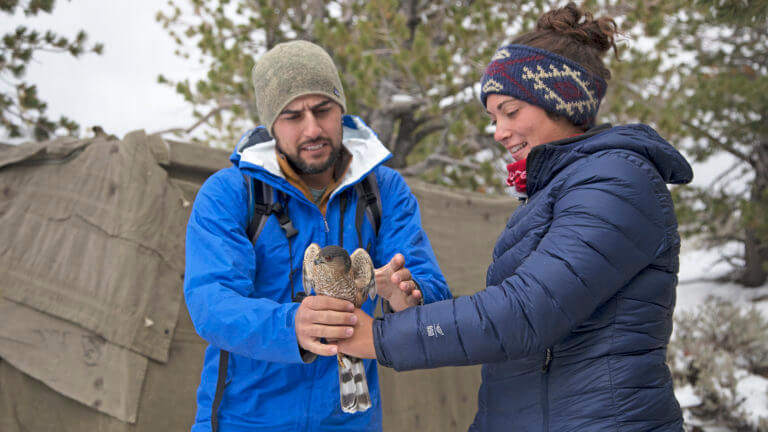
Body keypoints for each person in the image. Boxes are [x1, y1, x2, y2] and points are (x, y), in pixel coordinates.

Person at [337, 3, 694, 431]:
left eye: (510, 112)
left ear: (563, 102)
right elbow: (517, 346)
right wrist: (406, 310)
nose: (498, 131)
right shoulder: (554, 192)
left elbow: (525, 313)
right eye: (492, 118)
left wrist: (377, 337)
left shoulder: (617, 184)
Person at [183, 40, 451, 432]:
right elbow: (210, 303)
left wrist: (407, 298)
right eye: (292, 116)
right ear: (270, 125)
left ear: (341, 109)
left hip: (350, 418)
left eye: (323, 109)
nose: (312, 128)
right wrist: (291, 325)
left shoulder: (383, 190)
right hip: (244, 419)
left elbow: (431, 291)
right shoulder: (230, 193)